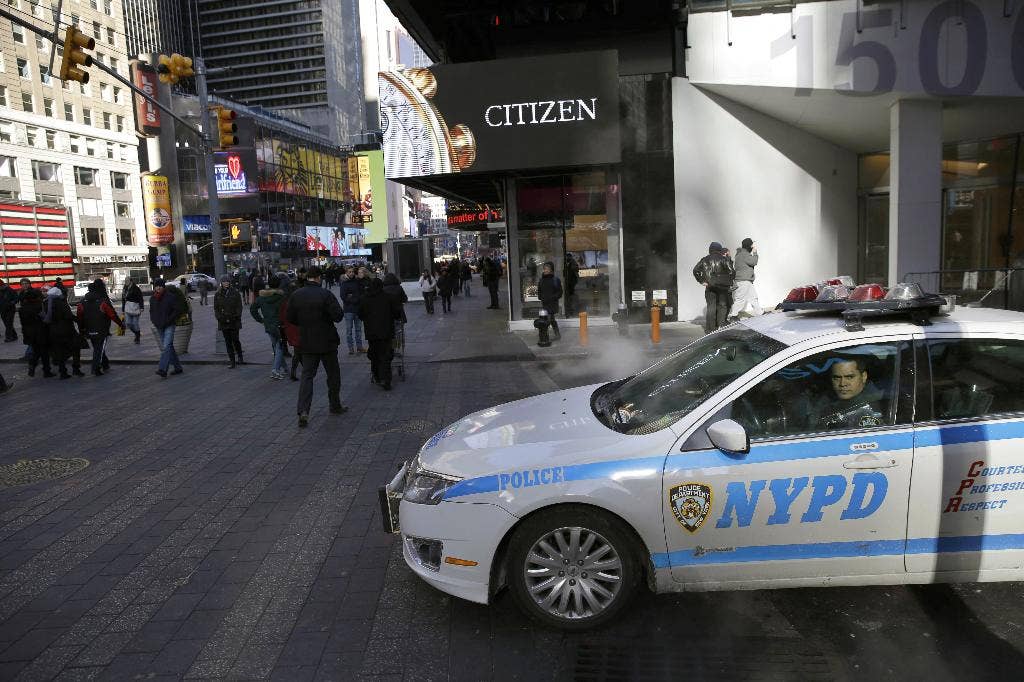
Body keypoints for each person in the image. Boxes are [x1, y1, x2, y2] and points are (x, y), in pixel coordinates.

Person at [286, 266, 346, 427]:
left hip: (307, 342)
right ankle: (335, 405)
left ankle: (303, 410)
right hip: (327, 341)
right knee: (333, 375)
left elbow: (290, 317)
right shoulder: (326, 294)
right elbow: (338, 316)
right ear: (318, 278)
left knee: (307, 376)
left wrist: (304, 324)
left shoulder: (296, 295)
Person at [809, 357, 885, 430]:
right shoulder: (826, 399)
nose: (842, 383)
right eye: (836, 378)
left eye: (850, 377)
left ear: (864, 376)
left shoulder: (873, 408)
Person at [359, 278, 402, 390]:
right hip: (386, 332)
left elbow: (360, 314)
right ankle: (385, 379)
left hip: (371, 333)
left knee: (374, 354)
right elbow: (397, 313)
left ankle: (377, 375)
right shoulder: (388, 298)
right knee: (386, 356)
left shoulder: (364, 299)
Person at [76, 280, 124, 376]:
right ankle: (96, 367)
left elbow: (79, 317)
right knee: (99, 348)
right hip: (101, 328)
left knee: (98, 347)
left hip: (89, 329)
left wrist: (81, 329)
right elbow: (112, 314)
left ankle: (105, 364)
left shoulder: (82, 302)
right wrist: (120, 324)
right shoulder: (102, 301)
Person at [250, 275, 287, 380]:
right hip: (279, 325)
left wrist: (261, 320)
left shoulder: (262, 297)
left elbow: (253, 309)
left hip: (268, 325)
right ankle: (275, 369)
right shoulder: (281, 297)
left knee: (276, 347)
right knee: (280, 348)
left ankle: (285, 368)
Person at [693, 241, 735, 333]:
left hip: (710, 286)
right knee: (722, 305)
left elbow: (695, 270)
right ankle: (720, 326)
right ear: (719, 249)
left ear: (710, 249)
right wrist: (727, 281)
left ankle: (710, 329)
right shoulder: (724, 259)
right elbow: (732, 272)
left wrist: (702, 281)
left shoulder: (704, 260)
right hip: (723, 287)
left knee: (711, 307)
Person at [45, 286, 83, 379]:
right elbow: (69, 316)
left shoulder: (46, 303)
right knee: (76, 348)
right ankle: (76, 368)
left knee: (59, 352)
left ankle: (63, 372)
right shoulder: (62, 303)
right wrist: (79, 320)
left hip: (53, 331)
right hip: (66, 330)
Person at [149, 278, 184, 378]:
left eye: (160, 286)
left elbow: (177, 310)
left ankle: (162, 369)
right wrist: (154, 321)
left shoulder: (170, 297)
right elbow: (151, 312)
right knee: (169, 347)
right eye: (156, 286)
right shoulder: (153, 298)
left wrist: (170, 319)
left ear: (163, 286)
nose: (158, 288)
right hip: (159, 325)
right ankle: (178, 367)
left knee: (166, 346)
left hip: (169, 324)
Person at [19, 287, 53, 377]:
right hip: (40, 331)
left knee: (36, 350)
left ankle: (32, 364)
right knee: (44, 352)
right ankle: (46, 371)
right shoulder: (39, 306)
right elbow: (44, 318)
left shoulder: (22, 308)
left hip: (29, 332)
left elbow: (23, 322)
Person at [214, 274, 244, 368]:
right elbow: (216, 308)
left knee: (235, 340)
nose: (226, 283)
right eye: (224, 281)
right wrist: (219, 317)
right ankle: (232, 361)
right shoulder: (217, 294)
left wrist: (236, 316)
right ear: (221, 283)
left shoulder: (235, 292)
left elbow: (239, 306)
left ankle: (240, 357)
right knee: (227, 342)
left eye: (227, 281)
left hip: (234, 321)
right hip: (223, 322)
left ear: (229, 282)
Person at [729, 237, 762, 321]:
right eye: (752, 245)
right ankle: (733, 316)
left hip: (746, 280)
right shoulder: (744, 254)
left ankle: (760, 313)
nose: (753, 246)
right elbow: (754, 262)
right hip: (743, 280)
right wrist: (755, 253)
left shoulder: (741, 254)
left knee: (753, 298)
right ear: (748, 245)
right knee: (740, 299)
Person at [339, 267, 365, 354]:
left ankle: (359, 347)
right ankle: (351, 348)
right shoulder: (344, 283)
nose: (351, 273)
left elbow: (361, 294)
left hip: (357, 309)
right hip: (348, 310)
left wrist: (352, 296)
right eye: (349, 272)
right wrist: (354, 299)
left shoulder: (357, 282)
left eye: (352, 272)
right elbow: (343, 296)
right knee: (349, 330)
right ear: (346, 273)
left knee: (358, 329)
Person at [537, 261, 564, 341]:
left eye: (547, 269)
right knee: (550, 320)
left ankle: (545, 336)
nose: (545, 270)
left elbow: (560, 292)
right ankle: (556, 334)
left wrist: (553, 297)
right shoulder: (541, 280)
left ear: (551, 270)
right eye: (544, 269)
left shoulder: (555, 280)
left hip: (552, 303)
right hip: (545, 303)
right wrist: (540, 297)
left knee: (548, 319)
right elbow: (539, 290)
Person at [121, 277, 144, 344]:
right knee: (128, 323)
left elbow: (140, 298)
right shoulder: (124, 288)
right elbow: (123, 299)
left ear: (131, 281)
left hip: (135, 308)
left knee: (135, 323)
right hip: (127, 308)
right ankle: (137, 333)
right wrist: (122, 309)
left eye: (127, 280)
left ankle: (137, 337)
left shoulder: (136, 288)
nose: (126, 281)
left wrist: (141, 307)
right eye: (125, 280)